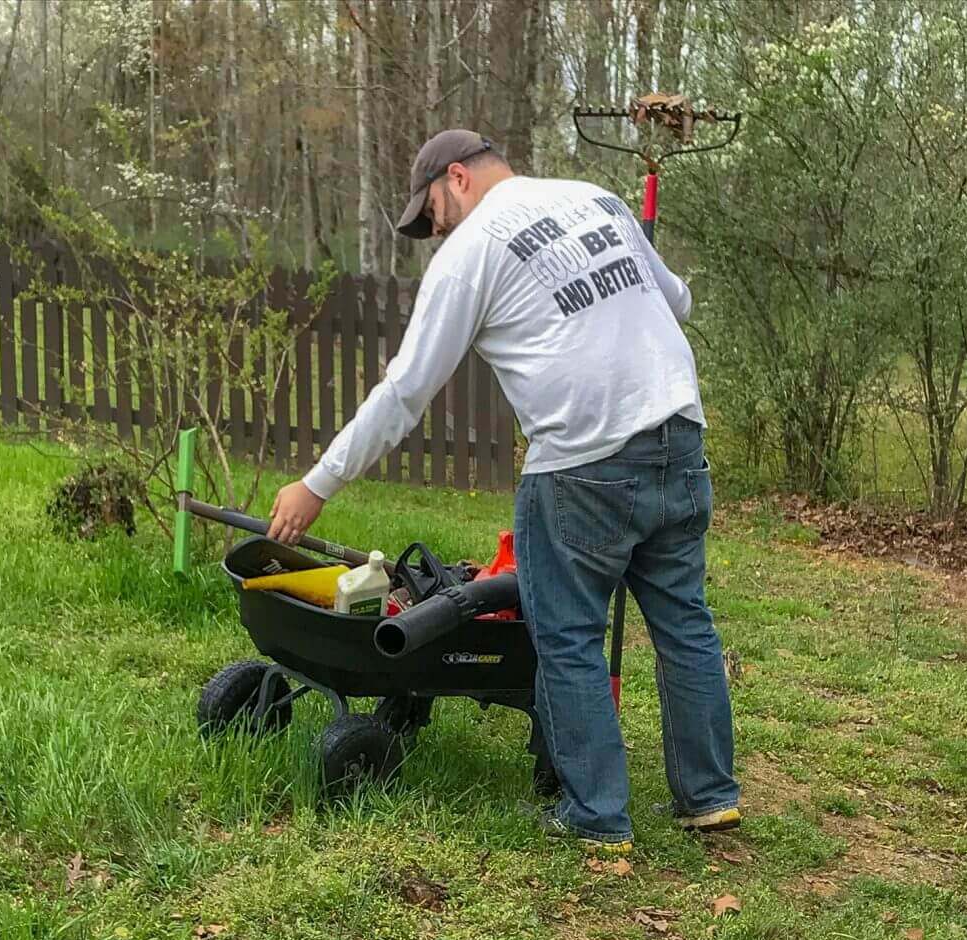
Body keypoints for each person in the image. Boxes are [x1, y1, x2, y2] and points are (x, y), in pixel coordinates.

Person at [267, 129, 741, 854]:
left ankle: (598, 820)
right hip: (679, 434)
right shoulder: (597, 198)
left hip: (583, 464)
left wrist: (318, 482)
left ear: (456, 178)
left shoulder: (472, 250)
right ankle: (709, 800)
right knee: (684, 622)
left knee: (568, 634)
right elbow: (676, 301)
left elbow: (405, 393)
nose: (436, 236)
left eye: (433, 216)